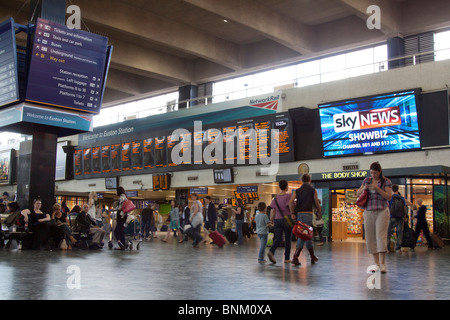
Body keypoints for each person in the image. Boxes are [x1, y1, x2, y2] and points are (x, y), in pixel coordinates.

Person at [357, 162, 393, 273]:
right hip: (368, 211)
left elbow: (389, 196)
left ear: (380, 172)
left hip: (382, 211)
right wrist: (365, 188)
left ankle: (383, 264)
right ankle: (376, 264)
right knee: (370, 237)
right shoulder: (366, 180)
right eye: (371, 172)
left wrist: (377, 189)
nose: (373, 175)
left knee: (380, 236)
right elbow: (358, 193)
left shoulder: (386, 182)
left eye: (375, 173)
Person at [289, 174, 322, 266]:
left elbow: (291, 202)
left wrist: (292, 213)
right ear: (310, 180)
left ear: (302, 181)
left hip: (299, 215)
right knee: (304, 235)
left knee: (306, 235)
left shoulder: (297, 191)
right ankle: (295, 257)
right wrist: (320, 213)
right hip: (308, 214)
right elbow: (317, 203)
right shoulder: (313, 190)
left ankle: (312, 256)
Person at [268, 180, 295, 264]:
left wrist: (271, 220)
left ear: (279, 187)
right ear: (286, 187)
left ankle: (271, 251)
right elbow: (291, 206)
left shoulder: (276, 197)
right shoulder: (288, 196)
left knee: (278, 238)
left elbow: (273, 210)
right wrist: (292, 214)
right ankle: (286, 258)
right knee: (287, 239)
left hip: (277, 220)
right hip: (286, 219)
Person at [387, 185, 412, 253]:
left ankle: (388, 247)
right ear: (398, 189)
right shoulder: (402, 198)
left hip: (392, 217)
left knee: (388, 233)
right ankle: (398, 248)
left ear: (392, 189)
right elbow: (408, 205)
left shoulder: (390, 198)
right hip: (400, 218)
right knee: (399, 233)